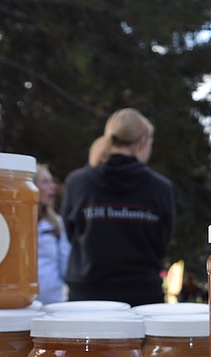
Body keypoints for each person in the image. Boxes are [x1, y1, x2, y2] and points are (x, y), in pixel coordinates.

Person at [59, 108, 175, 306]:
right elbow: (163, 241)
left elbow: (71, 234)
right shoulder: (160, 188)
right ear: (143, 141)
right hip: (142, 297)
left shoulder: (78, 183)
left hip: (87, 297)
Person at [35, 164, 71, 304]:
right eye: (45, 181)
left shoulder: (56, 223)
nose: (53, 186)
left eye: (52, 181)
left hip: (53, 303)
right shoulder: (16, 223)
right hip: (23, 305)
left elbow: (65, 261)